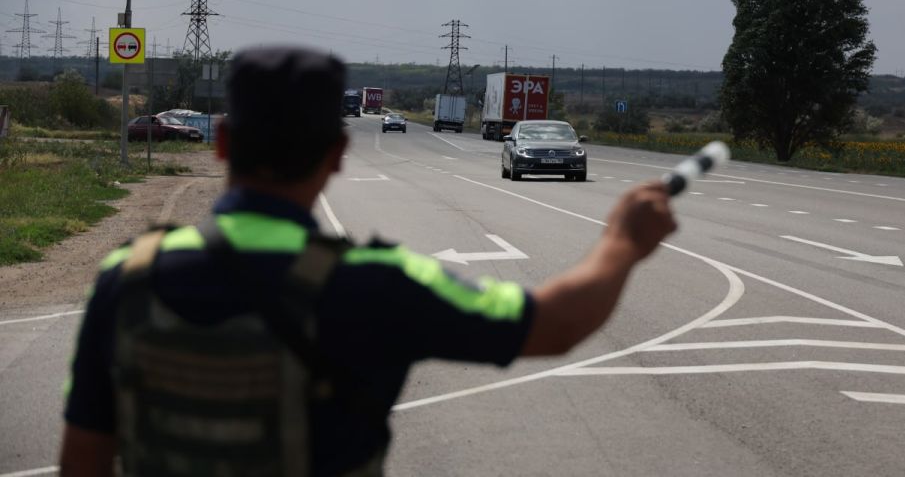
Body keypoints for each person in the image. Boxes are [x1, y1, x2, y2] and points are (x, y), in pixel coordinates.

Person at [60, 44, 676, 477]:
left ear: (221, 143)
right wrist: (622, 242)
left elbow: (82, 458)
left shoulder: (127, 280)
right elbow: (556, 323)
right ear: (336, 155)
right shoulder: (376, 285)